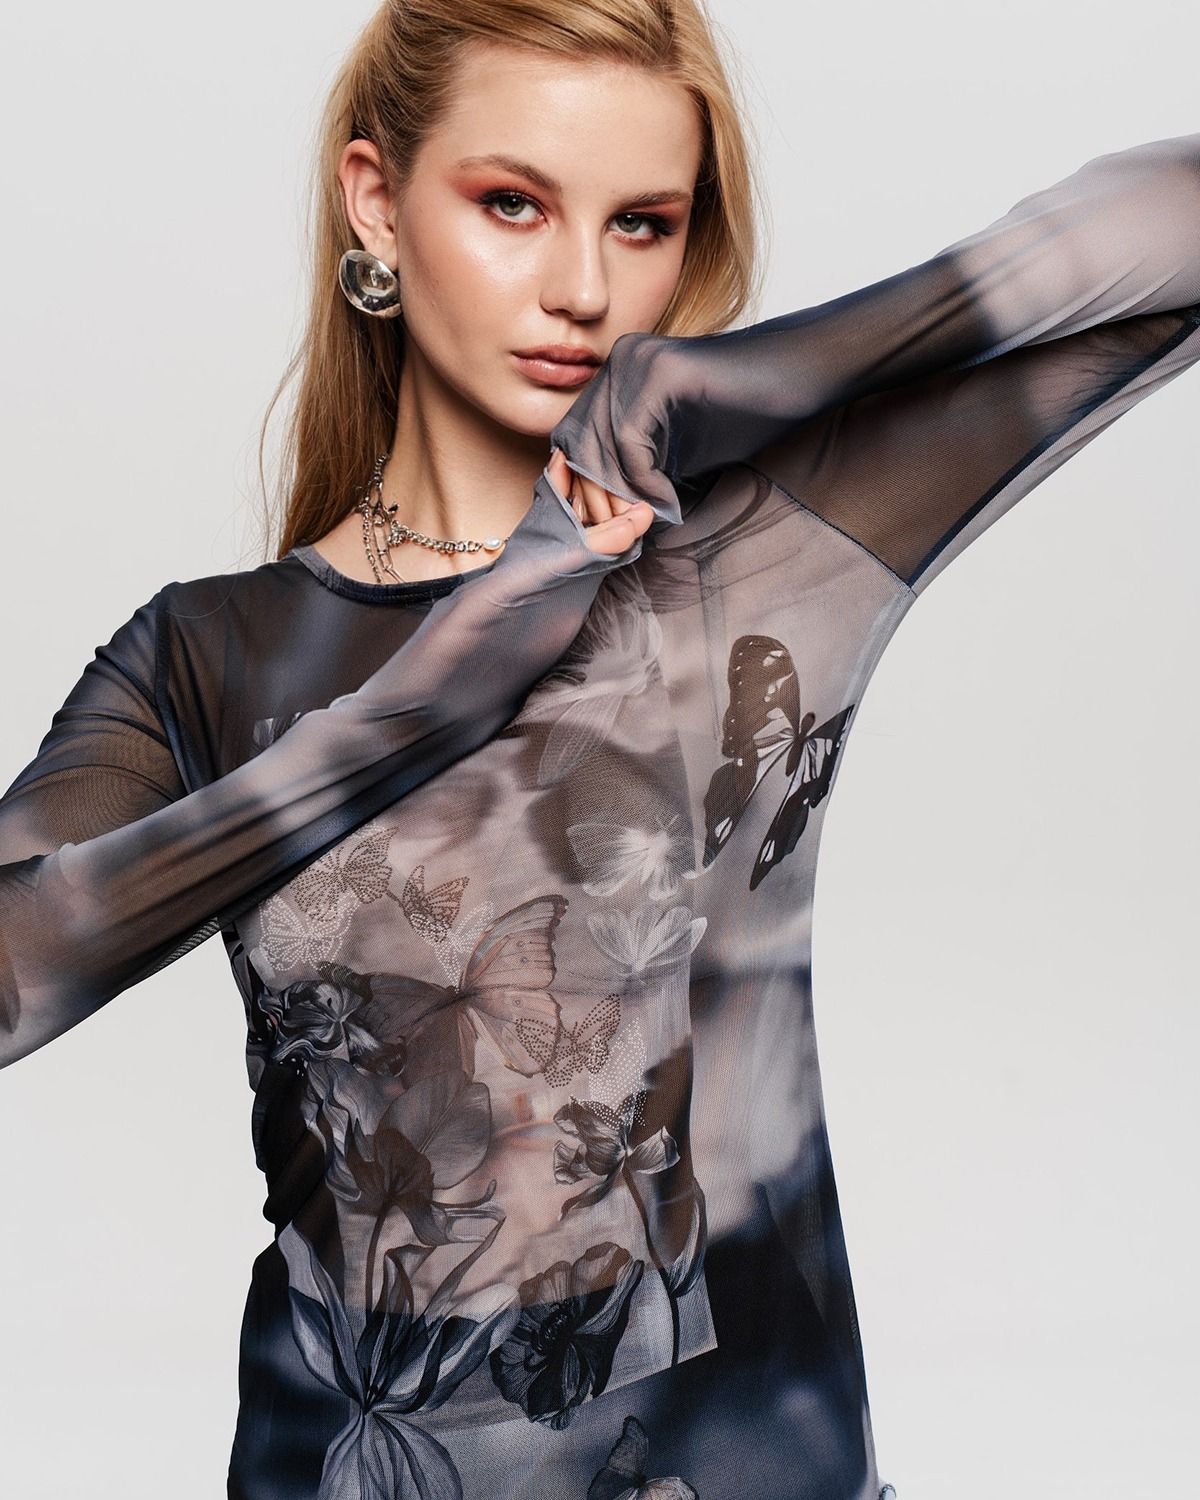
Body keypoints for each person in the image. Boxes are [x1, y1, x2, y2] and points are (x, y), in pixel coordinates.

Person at [1, 1, 1196, 1496]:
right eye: (513, 203)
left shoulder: (765, 550)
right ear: (376, 202)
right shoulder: (209, 652)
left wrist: (754, 377)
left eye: (642, 223)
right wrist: (416, 714)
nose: (580, 289)